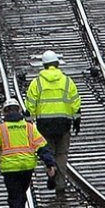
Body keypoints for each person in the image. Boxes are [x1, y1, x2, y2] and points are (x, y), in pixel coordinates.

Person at [25, 50, 81, 195]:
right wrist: (76, 119)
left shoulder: (37, 83)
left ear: (44, 65)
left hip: (45, 125)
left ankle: (51, 171)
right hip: (63, 124)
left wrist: (29, 122)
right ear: (57, 64)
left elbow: (30, 105)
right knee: (62, 154)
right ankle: (60, 184)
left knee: (48, 152)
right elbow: (75, 102)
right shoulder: (67, 81)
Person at [0, 98, 57, 208]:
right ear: (19, 111)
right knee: (22, 193)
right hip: (27, 167)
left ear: (4, 112)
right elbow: (42, 147)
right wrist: (50, 164)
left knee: (14, 196)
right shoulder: (29, 128)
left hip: (10, 169)